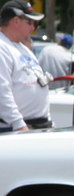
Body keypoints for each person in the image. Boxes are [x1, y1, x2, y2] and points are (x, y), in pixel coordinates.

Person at [0, 0, 50, 132]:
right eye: (29, 22)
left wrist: (48, 119)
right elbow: (2, 91)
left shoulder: (23, 48)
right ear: (16, 21)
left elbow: (41, 83)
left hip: (37, 125)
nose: (33, 28)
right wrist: (19, 125)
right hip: (14, 128)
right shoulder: (2, 47)